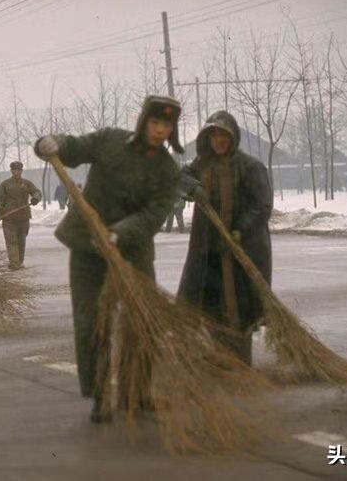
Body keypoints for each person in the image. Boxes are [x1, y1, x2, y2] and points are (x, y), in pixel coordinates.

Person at [33, 95, 183, 423]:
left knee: (141, 323)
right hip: (89, 249)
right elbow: (74, 147)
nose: (160, 130)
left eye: (166, 125)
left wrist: (118, 233)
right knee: (92, 323)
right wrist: (52, 143)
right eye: (155, 123)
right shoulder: (110, 141)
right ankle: (101, 394)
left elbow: (154, 214)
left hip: (132, 251)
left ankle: (140, 392)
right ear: (144, 121)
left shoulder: (167, 170)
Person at [177, 110, 273, 366]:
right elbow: (179, 176)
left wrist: (240, 229)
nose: (218, 140)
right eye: (214, 135)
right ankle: (218, 359)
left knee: (238, 309)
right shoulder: (201, 166)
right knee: (210, 304)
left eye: (223, 135)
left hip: (241, 250)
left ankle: (240, 362)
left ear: (233, 138)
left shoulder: (250, 167)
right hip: (209, 252)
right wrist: (193, 187)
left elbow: (262, 206)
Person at [0, 161, 42, 270]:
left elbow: (37, 192)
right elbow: (0, 201)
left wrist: (35, 198)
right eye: (14, 170)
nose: (16, 172)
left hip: (23, 217)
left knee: (21, 241)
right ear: (11, 171)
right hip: (9, 218)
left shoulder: (27, 183)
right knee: (11, 242)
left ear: (21, 171)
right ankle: (14, 264)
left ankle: (19, 262)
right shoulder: (5, 184)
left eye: (19, 170)